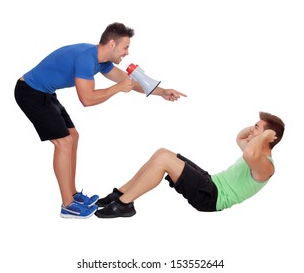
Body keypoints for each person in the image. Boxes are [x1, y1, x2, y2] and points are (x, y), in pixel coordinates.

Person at [14, 22, 187, 219]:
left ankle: (73, 195)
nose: (127, 52)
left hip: (45, 92)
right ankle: (68, 205)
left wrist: (162, 92)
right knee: (64, 142)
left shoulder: (101, 61)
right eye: (125, 47)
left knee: (73, 136)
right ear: (112, 44)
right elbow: (87, 100)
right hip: (29, 92)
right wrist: (117, 88)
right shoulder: (85, 59)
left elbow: (128, 81)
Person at [95, 112, 285, 218]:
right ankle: (120, 194)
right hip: (211, 182)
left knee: (164, 162)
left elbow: (250, 152)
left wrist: (263, 137)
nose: (252, 129)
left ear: (268, 138)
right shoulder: (254, 152)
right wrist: (257, 131)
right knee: (163, 152)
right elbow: (240, 137)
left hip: (213, 198)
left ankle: (124, 205)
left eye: (257, 128)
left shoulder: (266, 166)